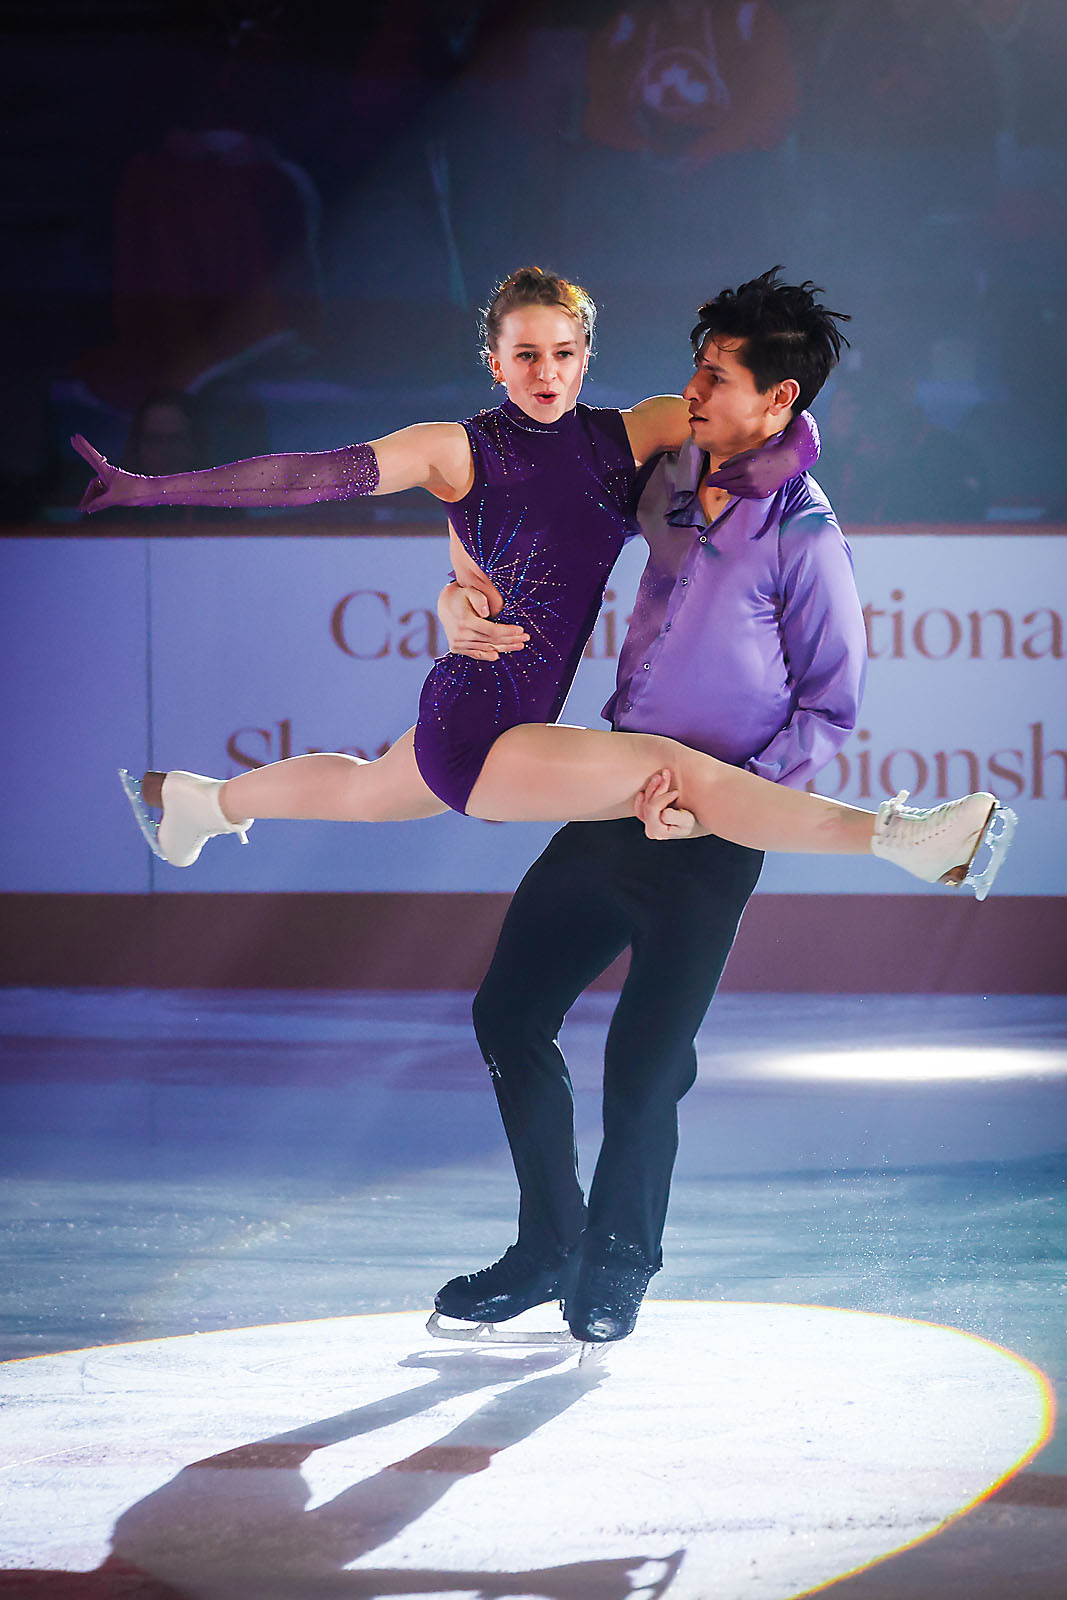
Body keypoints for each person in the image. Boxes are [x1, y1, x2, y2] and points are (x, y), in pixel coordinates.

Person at [73, 266, 1004, 903]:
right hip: (480, 722)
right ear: (493, 360)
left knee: (361, 789)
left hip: (502, 712)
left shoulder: (635, 430)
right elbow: (310, 474)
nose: (544, 373)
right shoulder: (457, 448)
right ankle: (902, 842)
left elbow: (778, 432)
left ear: (586, 353)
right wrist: (154, 486)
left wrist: (454, 590)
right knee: (666, 771)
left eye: (561, 353)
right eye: (523, 355)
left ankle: (200, 804)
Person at [432, 268, 867, 1346]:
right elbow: (529, 520)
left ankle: (619, 1258)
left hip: (711, 832)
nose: (691, 390)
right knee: (507, 1013)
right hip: (617, 789)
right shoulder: (667, 475)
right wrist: (456, 593)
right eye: (693, 367)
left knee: (642, 1065)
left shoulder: (805, 534)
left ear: (777, 402)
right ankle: (548, 1243)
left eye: (714, 377)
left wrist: (727, 808)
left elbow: (829, 706)